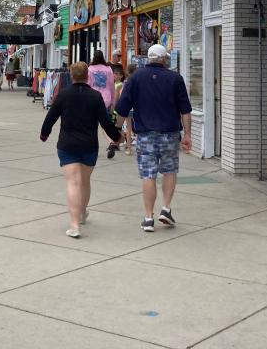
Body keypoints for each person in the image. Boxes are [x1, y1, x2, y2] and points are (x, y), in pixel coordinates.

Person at [40, 61, 124, 238]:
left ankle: (74, 224)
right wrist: (117, 137)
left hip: (67, 144)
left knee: (72, 183)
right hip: (89, 145)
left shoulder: (63, 94)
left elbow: (51, 117)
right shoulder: (95, 96)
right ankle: (82, 212)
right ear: (88, 76)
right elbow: (105, 121)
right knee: (84, 182)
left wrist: (44, 134)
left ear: (71, 75)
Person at [115, 44, 193, 232]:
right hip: (170, 134)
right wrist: (188, 134)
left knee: (148, 175)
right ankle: (166, 209)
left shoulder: (135, 78)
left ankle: (148, 218)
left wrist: (117, 130)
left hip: (145, 135)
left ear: (149, 58)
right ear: (164, 59)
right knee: (169, 171)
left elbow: (122, 108)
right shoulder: (175, 78)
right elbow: (185, 110)